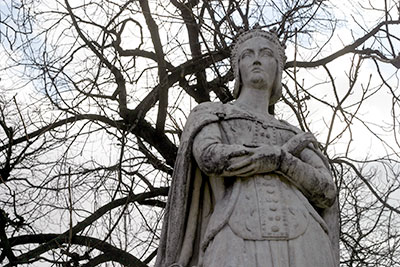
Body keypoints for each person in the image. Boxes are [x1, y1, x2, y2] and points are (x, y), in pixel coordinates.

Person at [155, 27, 339, 267]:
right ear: (238, 68)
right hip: (233, 230)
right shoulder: (213, 114)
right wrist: (264, 157)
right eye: (247, 54)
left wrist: (283, 162)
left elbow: (326, 190)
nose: (256, 59)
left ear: (278, 68)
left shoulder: (293, 133)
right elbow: (209, 156)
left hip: (306, 238)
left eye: (265, 53)